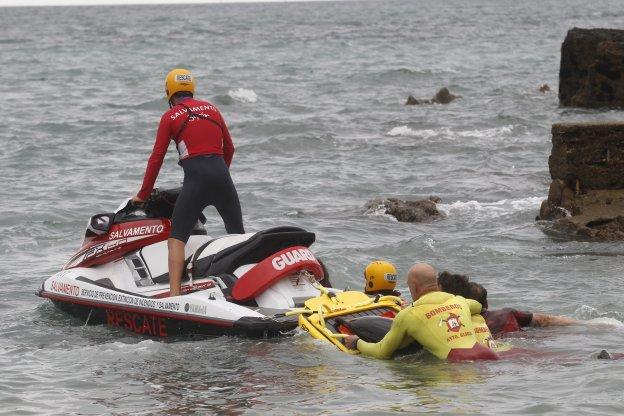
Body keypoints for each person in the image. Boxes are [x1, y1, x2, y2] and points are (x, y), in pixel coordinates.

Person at [132, 68, 245, 296]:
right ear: (191, 88)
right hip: (223, 177)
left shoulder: (169, 117)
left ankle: (174, 297)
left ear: (169, 92)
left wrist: (142, 195)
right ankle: (245, 288)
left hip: (196, 182)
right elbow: (229, 148)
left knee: (176, 239)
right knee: (238, 237)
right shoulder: (212, 109)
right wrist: (220, 176)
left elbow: (157, 157)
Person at [345, 263, 499, 361]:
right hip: (490, 355)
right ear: (436, 283)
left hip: (458, 364)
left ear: (414, 286)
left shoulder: (408, 315)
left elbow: (381, 352)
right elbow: (478, 307)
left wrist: (357, 343)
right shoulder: (459, 301)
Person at [437, 271, 581, 335]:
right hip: (528, 344)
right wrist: (589, 324)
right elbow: (547, 320)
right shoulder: (505, 315)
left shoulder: (452, 327)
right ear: (486, 303)